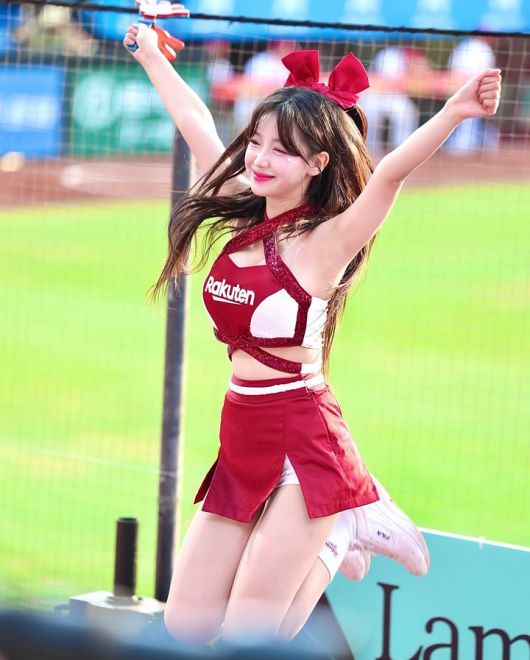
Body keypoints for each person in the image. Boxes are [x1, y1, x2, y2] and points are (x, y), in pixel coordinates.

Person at [123, 24, 501, 647]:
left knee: (250, 635)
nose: (258, 158)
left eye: (281, 150)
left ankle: (336, 529)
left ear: (318, 164)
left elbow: (388, 176)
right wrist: (148, 55)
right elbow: (194, 121)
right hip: (242, 433)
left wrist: (456, 110)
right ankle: (339, 531)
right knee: (185, 624)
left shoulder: (327, 242)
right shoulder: (243, 210)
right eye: (256, 142)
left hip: (304, 442)